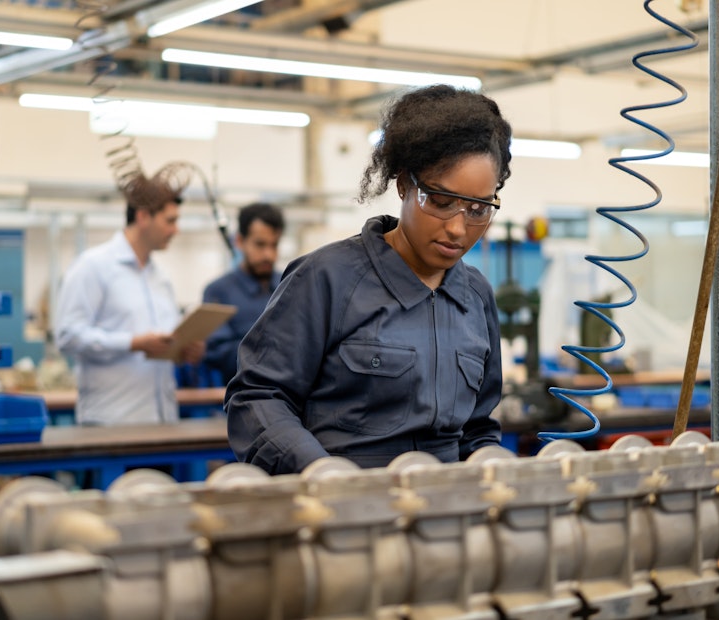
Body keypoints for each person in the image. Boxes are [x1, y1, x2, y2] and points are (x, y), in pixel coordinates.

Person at [225, 84, 511, 475]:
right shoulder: (327, 279)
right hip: (343, 511)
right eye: (441, 202)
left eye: (479, 209)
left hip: (447, 514)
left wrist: (493, 469)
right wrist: (320, 474)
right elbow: (258, 397)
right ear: (404, 184)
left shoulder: (475, 297)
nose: (459, 229)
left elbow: (477, 428)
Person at [55, 169, 205, 426]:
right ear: (144, 216)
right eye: (170, 221)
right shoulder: (93, 267)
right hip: (112, 423)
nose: (175, 230)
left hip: (162, 421)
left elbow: (163, 344)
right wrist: (133, 343)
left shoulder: (160, 277)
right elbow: (68, 336)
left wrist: (183, 350)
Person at [202, 202, 286, 384]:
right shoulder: (218, 291)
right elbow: (217, 352)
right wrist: (276, 349)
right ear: (239, 241)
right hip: (240, 400)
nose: (268, 255)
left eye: (274, 245)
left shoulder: (289, 285)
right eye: (260, 244)